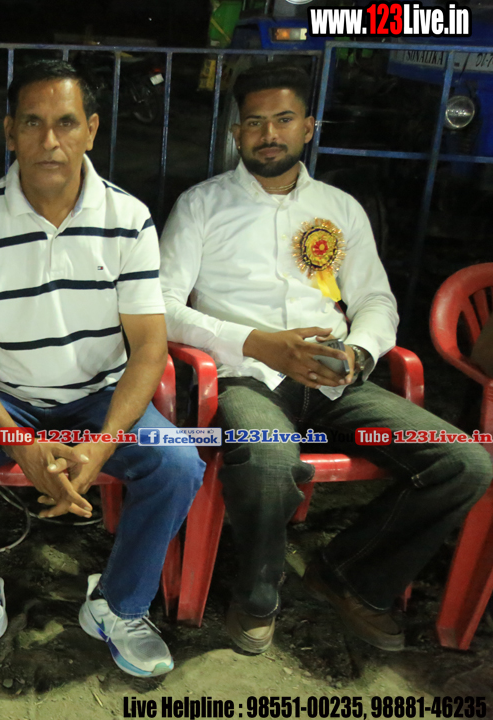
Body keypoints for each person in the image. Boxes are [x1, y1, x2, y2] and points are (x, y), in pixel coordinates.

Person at [158, 62, 493, 655]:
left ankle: (351, 576)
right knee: (268, 460)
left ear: (308, 127)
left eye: (284, 119)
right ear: (236, 134)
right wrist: (258, 342)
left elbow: (375, 300)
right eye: (254, 122)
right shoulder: (201, 206)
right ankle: (258, 593)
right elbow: (161, 306)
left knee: (464, 463)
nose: (269, 134)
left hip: (336, 381)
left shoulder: (340, 208)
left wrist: (360, 352)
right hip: (247, 376)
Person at [0, 59, 204, 691]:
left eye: (66, 123)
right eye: (32, 122)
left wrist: (102, 444)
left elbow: (149, 347)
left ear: (92, 130)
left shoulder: (129, 219)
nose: (49, 140)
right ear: (9, 132)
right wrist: (19, 441)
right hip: (4, 399)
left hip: (98, 398)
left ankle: (118, 606)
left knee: (178, 463)